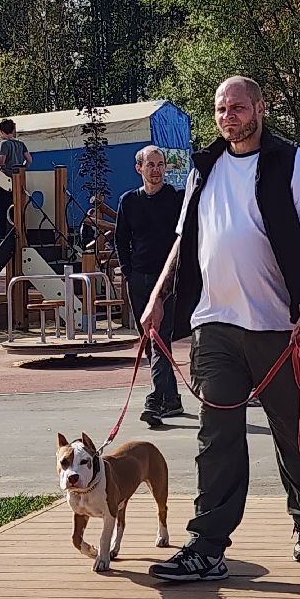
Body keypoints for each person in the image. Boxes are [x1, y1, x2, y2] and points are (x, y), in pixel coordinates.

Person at [142, 76, 300, 583]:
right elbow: (184, 239)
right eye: (220, 108)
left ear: (260, 107)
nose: (228, 115)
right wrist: (157, 299)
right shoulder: (203, 169)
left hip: (279, 327)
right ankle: (207, 545)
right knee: (217, 437)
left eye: (237, 107)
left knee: (293, 433)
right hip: (215, 325)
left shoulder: (295, 164)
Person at [115, 144, 185, 427]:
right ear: (139, 169)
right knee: (149, 340)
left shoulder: (176, 199)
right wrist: (129, 272)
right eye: (150, 165)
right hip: (139, 278)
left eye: (160, 164)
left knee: (160, 338)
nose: (156, 170)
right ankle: (173, 400)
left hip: (167, 281)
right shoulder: (128, 201)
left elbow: (186, 236)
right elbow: (121, 239)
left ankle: (155, 400)